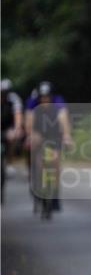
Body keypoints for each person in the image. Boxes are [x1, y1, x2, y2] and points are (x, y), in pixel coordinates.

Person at [25, 81, 72, 213]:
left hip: (53, 134)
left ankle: (55, 195)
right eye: (42, 97)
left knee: (55, 162)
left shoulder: (58, 102)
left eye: (47, 97)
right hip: (38, 132)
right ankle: (36, 182)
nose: (45, 100)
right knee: (37, 158)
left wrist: (67, 136)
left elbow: (64, 119)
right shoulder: (33, 102)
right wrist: (30, 135)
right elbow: (29, 120)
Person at [1, 79, 24, 204]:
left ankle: (9, 162)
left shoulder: (14, 99)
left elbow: (18, 116)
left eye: (4, 93)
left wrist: (17, 129)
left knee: (14, 136)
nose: (2, 96)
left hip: (9, 126)